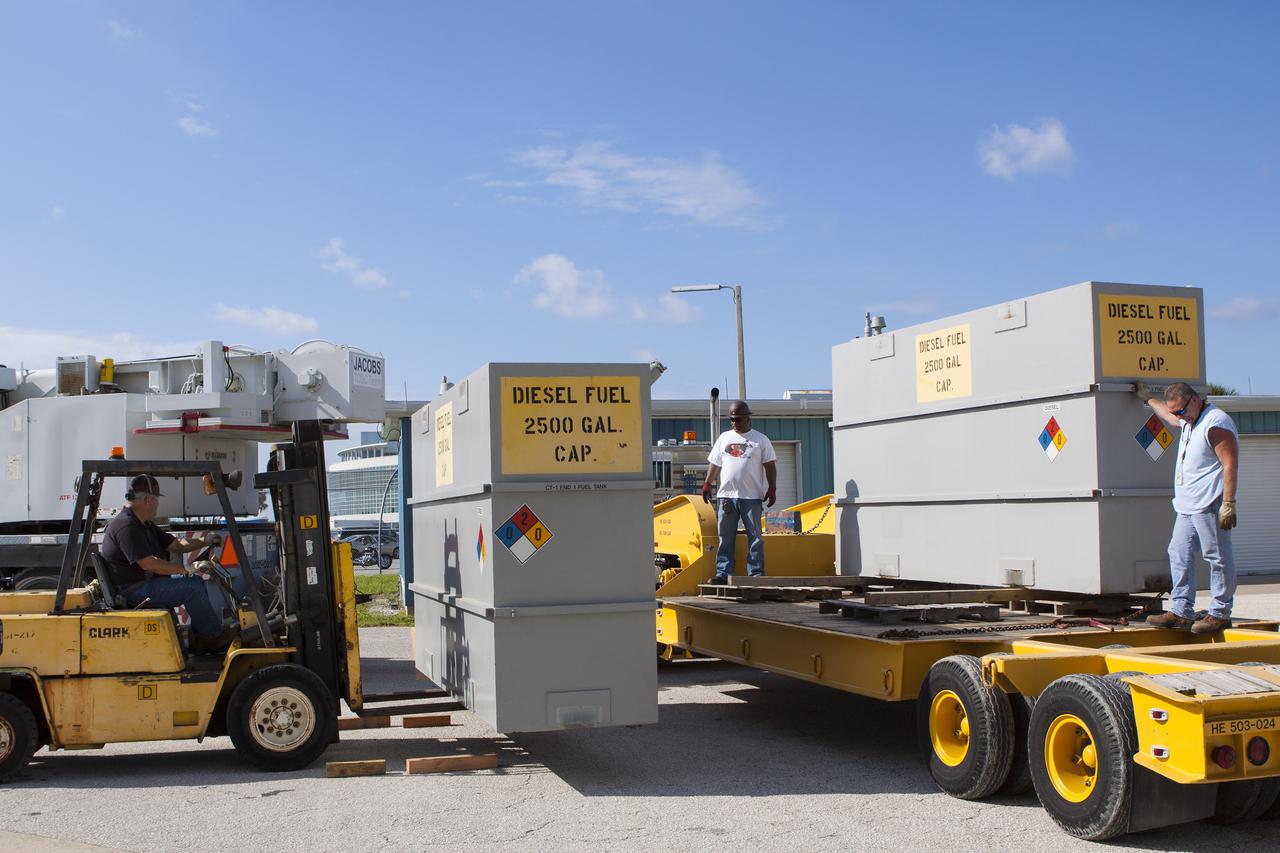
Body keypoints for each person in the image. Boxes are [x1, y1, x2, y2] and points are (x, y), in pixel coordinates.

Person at [1137, 382, 1240, 634]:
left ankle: (1220, 612)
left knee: (1217, 556)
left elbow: (1229, 464)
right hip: (1186, 505)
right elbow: (1168, 415)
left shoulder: (1215, 422)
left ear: (1195, 400)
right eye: (1176, 413)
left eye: (1180, 411)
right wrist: (1149, 400)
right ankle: (1181, 610)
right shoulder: (1187, 418)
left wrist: (1228, 502)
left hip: (1209, 503)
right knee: (1179, 553)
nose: (1178, 417)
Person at [99, 474, 232, 651]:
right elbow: (149, 564)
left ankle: (202, 635)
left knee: (193, 584)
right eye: (156, 500)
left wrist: (205, 540)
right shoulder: (126, 526)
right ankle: (209, 638)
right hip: (134, 590)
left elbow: (176, 544)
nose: (158, 504)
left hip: (142, 585)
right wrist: (187, 568)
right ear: (147, 499)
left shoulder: (144, 525)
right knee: (192, 587)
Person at [700, 401, 778, 583]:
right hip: (727, 496)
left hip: (751, 497)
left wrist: (772, 488)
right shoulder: (724, 438)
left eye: (739, 419)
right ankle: (723, 573)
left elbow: (770, 466)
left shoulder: (760, 440)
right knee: (725, 537)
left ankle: (756, 574)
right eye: (732, 419)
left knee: (755, 537)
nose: (735, 423)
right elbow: (715, 463)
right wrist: (707, 484)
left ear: (748, 418)